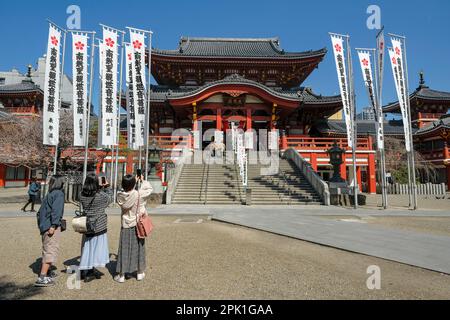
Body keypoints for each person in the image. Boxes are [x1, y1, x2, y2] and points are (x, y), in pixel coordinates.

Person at [115, 174, 153, 283]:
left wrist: (132, 183)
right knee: (139, 248)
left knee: (124, 248)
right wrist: (142, 180)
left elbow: (127, 192)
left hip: (126, 224)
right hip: (137, 224)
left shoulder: (120, 196)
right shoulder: (139, 194)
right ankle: (140, 272)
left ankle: (122, 275)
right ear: (134, 184)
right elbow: (149, 189)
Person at [78, 174, 113, 282]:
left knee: (87, 247)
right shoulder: (100, 196)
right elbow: (110, 199)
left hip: (87, 225)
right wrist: (106, 187)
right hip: (99, 225)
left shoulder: (81, 195)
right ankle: (89, 271)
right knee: (97, 248)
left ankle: (87, 268)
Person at [35, 175, 65, 287]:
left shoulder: (50, 194)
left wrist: (42, 225)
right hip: (51, 226)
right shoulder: (59, 194)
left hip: (44, 225)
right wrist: (53, 225)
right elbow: (56, 211)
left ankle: (46, 272)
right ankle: (42, 277)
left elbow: (39, 213)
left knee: (47, 248)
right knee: (50, 250)